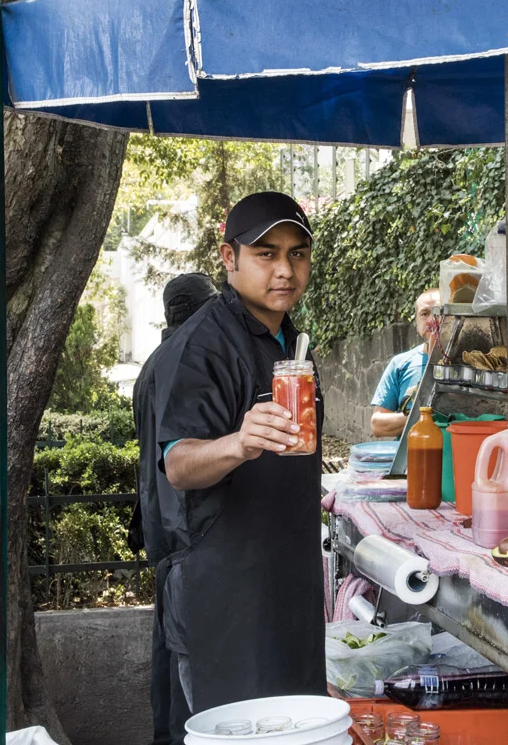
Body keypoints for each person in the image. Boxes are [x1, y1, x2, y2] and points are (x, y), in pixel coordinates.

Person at [152, 192, 326, 743]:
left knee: (293, 730)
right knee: (233, 733)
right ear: (229, 258)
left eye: (297, 254)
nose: (284, 269)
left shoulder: (289, 339)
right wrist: (238, 443)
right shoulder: (203, 345)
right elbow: (177, 464)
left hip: (285, 583)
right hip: (223, 592)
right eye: (266, 254)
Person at [131, 272, 219, 745]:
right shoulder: (187, 360)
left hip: (164, 526)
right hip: (187, 527)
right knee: (189, 656)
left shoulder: (152, 364)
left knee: (170, 648)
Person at [370, 288, 440, 438]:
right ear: (416, 322)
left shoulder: (467, 363)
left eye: (438, 312)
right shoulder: (400, 364)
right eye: (424, 314)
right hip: (410, 453)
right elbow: (377, 425)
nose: (431, 320)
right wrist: (422, 418)